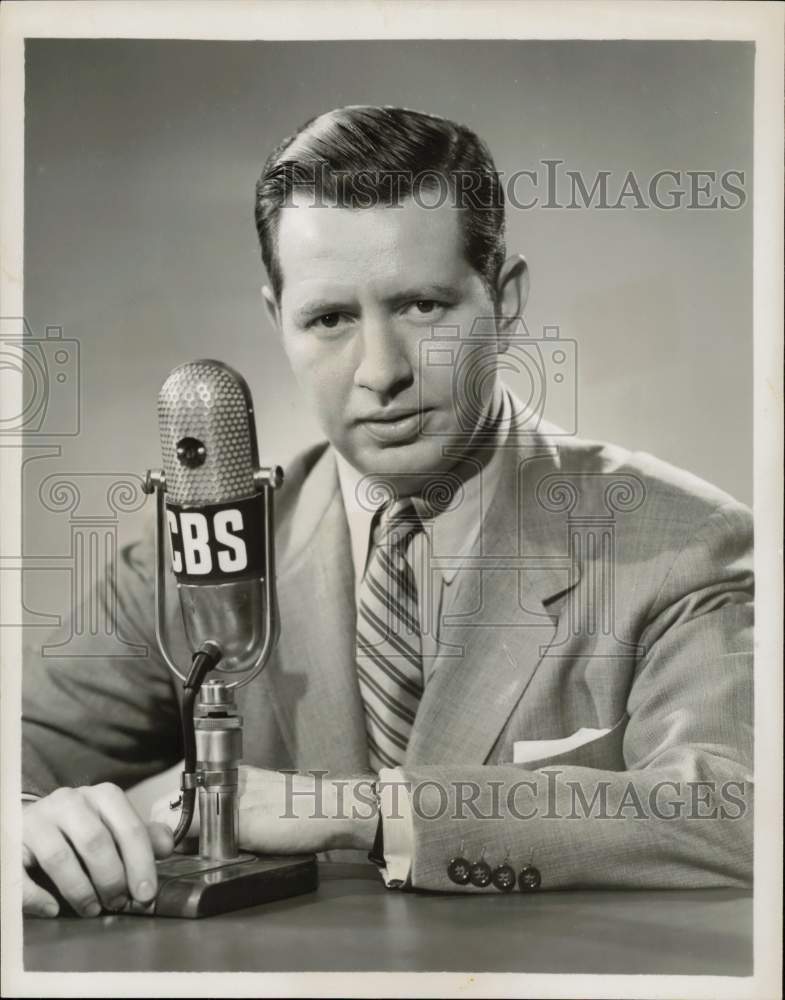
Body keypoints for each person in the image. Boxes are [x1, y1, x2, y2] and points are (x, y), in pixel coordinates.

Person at [22, 106, 753, 918]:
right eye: (329, 319)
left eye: (421, 307)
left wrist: (345, 806)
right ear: (278, 321)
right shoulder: (188, 563)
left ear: (505, 300)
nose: (379, 371)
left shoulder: (684, 543)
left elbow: (734, 813)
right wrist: (32, 828)